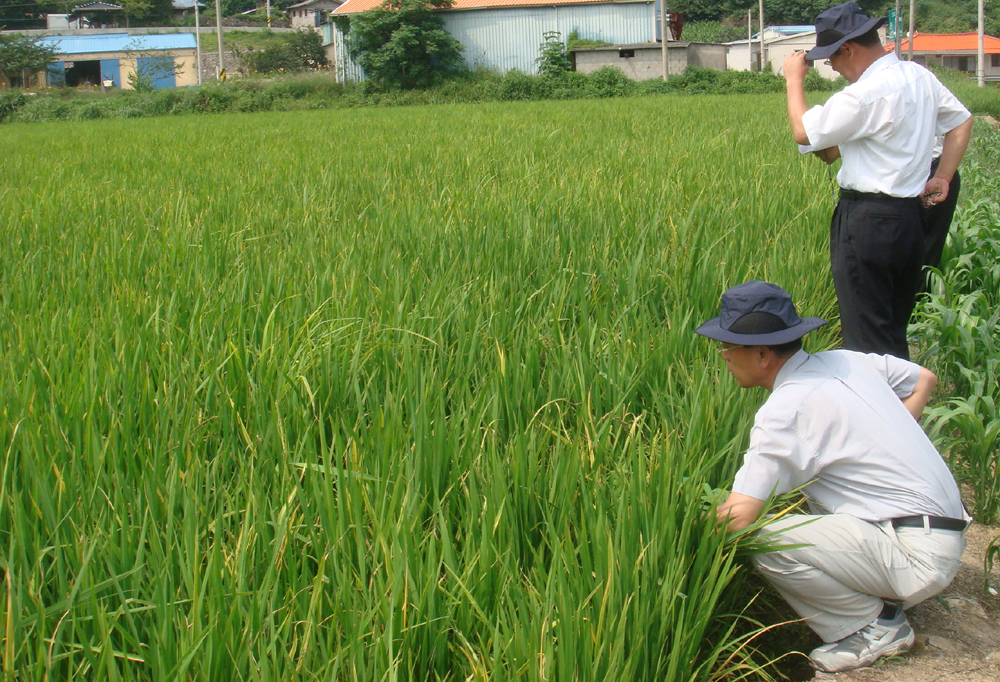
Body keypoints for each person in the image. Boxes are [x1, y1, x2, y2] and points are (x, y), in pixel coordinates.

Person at [696, 280, 968, 673]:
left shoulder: (785, 411)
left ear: (761, 353)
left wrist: (685, 532)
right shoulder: (846, 361)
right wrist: (886, 435)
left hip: (916, 553)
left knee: (762, 540)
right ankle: (880, 588)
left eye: (727, 347)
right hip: (942, 530)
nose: (723, 357)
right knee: (817, 496)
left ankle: (875, 627)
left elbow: (739, 518)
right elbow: (924, 377)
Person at [783, 1, 973, 360]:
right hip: (910, 220)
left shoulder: (864, 94)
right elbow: (961, 121)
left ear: (848, 49)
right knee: (892, 331)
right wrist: (943, 176)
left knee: (867, 345)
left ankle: (883, 395)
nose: (832, 67)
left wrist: (794, 80)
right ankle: (904, 392)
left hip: (867, 224)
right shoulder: (919, 76)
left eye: (831, 58)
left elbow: (803, 132)